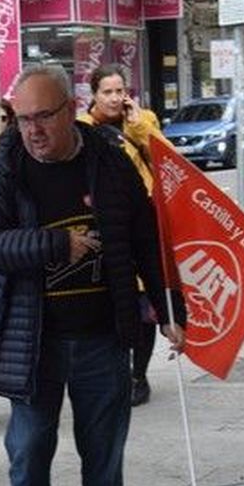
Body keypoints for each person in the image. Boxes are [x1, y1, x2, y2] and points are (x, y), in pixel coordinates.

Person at [0, 63, 181, 486]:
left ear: (70, 110)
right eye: (21, 119)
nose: (32, 130)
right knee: (29, 451)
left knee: (103, 452)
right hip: (32, 344)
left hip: (102, 338)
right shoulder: (7, 171)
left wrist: (167, 307)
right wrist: (55, 245)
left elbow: (145, 238)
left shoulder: (109, 161)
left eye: (42, 117)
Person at [79, 63, 164, 407]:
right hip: (105, 224)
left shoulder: (144, 121)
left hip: (143, 221)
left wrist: (139, 125)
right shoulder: (83, 129)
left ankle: (138, 374)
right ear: (94, 95)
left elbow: (165, 162)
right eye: (107, 92)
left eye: (120, 91)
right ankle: (111, 370)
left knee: (146, 307)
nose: (115, 98)